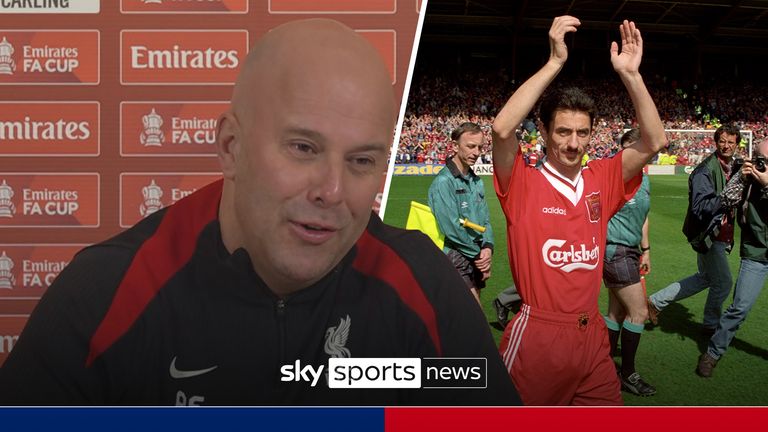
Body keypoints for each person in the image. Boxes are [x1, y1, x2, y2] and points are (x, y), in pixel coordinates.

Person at [0, 19, 520, 406]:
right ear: (231, 146)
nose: (333, 190)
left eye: (361, 160)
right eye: (302, 148)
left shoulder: (423, 283)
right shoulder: (104, 295)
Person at [492, 16, 667, 405]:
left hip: (592, 340)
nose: (573, 143)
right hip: (539, 337)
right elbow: (502, 130)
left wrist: (632, 76)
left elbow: (655, 140)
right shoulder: (522, 182)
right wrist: (555, 62)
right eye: (563, 132)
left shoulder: (601, 177)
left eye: (583, 133)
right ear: (544, 131)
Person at [647, 124, 740, 337]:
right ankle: (710, 326)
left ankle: (655, 301)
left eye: (731, 142)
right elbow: (700, 207)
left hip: (718, 232)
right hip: (708, 234)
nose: (726, 146)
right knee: (723, 282)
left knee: (705, 278)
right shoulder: (705, 170)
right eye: (723, 141)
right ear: (716, 142)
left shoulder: (730, 165)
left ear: (736, 144)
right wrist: (725, 201)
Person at [696, 138, 768, 377]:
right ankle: (713, 353)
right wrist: (742, 177)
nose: (762, 164)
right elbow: (726, 200)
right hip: (756, 252)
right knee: (740, 307)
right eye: (759, 159)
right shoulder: (746, 178)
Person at [602, 128, 655, 396]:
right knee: (639, 312)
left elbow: (644, 215)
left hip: (631, 250)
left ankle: (605, 368)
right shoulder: (614, 176)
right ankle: (628, 373)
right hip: (615, 250)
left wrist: (645, 249)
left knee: (617, 313)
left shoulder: (643, 178)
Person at [427, 122, 494, 306]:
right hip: (455, 256)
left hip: (476, 254)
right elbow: (451, 229)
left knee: (462, 322)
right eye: (470, 146)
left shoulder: (476, 181)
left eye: (480, 147)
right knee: (474, 317)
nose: (476, 152)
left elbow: (485, 220)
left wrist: (488, 247)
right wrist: (478, 255)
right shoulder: (443, 182)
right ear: (455, 146)